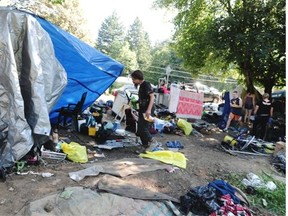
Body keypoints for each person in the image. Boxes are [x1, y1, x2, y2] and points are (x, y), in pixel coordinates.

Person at [131, 70, 155, 148]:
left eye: (134, 79)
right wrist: (136, 102)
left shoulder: (146, 84)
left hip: (147, 110)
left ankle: (153, 142)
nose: (133, 81)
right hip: (142, 110)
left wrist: (148, 110)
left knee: (143, 128)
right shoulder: (141, 86)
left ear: (138, 78)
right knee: (140, 130)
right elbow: (144, 98)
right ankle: (145, 146)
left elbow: (152, 97)